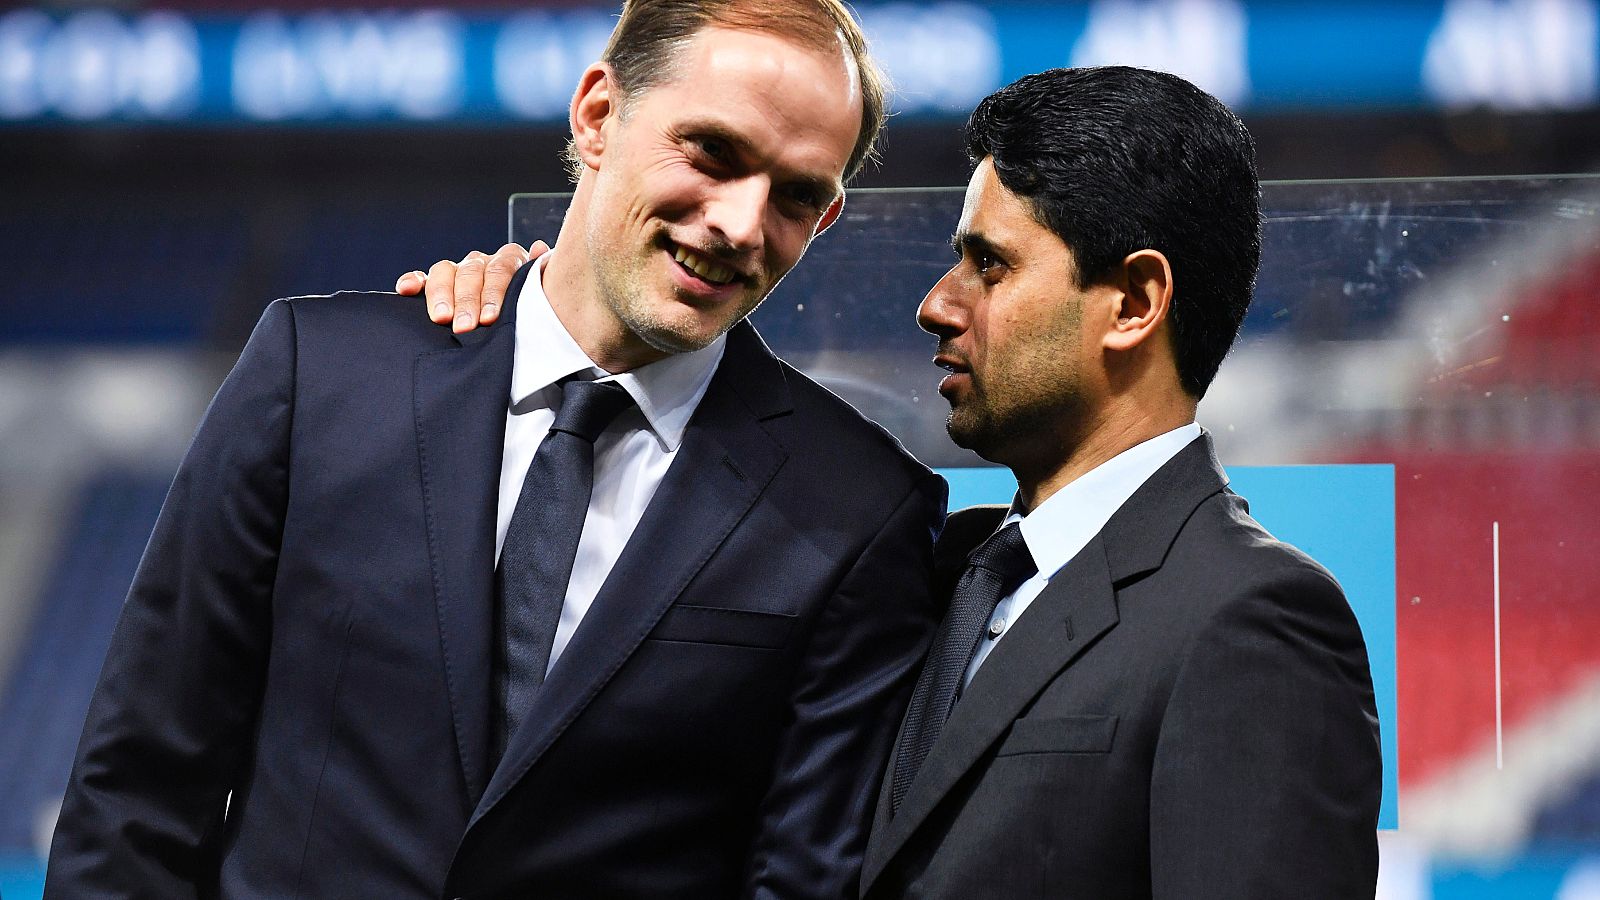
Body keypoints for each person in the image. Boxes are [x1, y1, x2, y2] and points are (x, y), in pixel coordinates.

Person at [45, 2, 944, 898]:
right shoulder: (319, 376)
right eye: (713, 153)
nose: (743, 226)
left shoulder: (860, 509)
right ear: (597, 115)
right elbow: (139, 791)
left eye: (796, 196)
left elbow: (798, 884)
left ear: (825, 221)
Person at [418, 66, 1383, 899]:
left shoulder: (1252, 621)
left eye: (988, 266)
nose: (936, 305)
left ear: (1132, 303)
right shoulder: (938, 569)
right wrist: (543, 322)